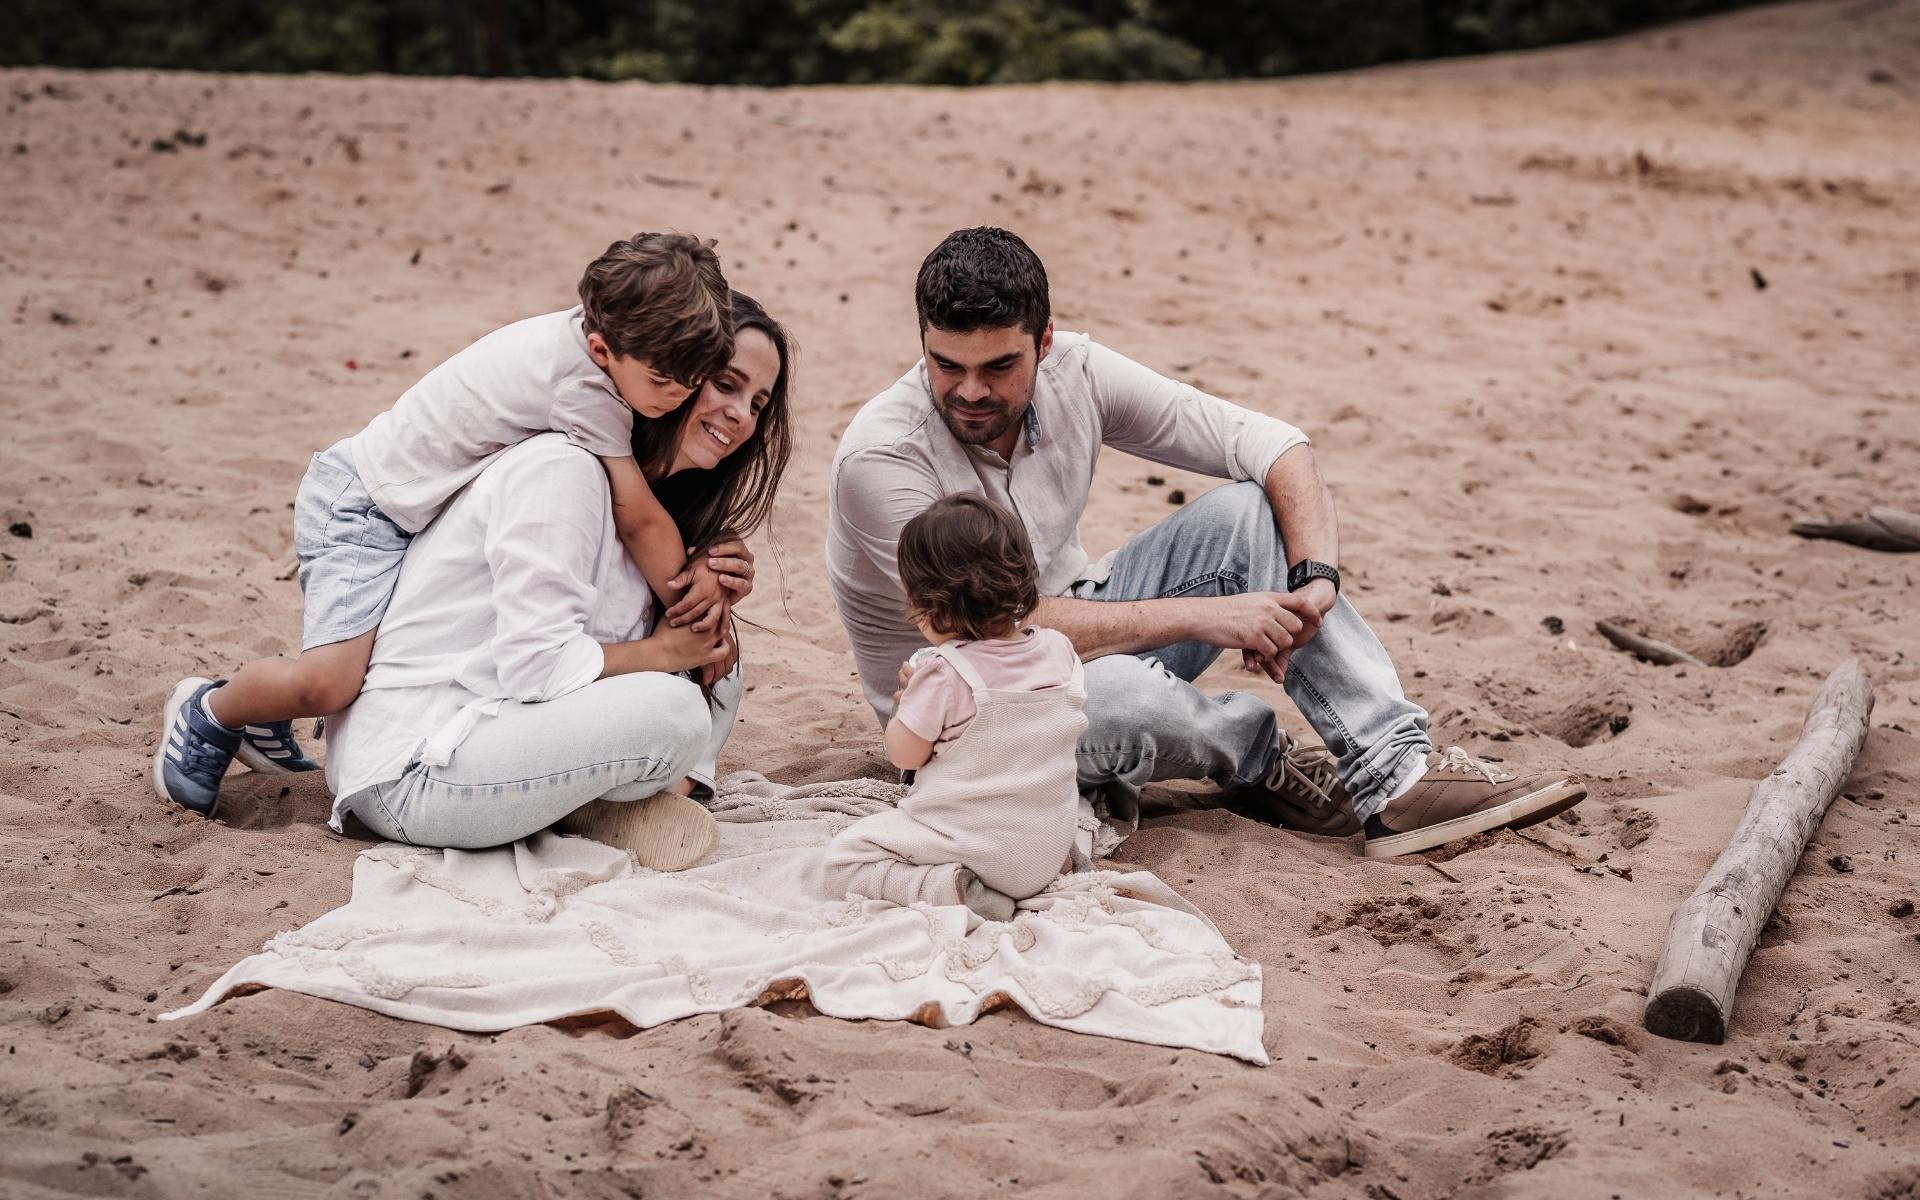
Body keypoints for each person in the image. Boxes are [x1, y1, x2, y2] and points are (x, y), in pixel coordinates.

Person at [826, 227, 1586, 859]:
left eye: (1000, 366)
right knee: (1116, 698)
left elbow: (1270, 444)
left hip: (1073, 629)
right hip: (967, 715)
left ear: (1045, 341)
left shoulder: (1077, 371)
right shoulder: (882, 458)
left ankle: (1395, 775)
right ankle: (1266, 762)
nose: (970, 392)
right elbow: (1001, 626)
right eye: (945, 366)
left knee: (1250, 512)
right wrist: (1205, 618)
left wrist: (1316, 578)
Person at [180, 293, 790, 857]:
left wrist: (704, 574)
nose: (739, 415)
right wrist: (662, 653)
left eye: (758, 403)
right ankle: (215, 712)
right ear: (676, 371)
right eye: (725, 384)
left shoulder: (659, 518)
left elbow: (648, 569)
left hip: (498, 733)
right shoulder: (563, 469)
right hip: (413, 769)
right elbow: (538, 667)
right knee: (672, 711)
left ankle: (589, 805)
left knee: (720, 657)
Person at [823, 494, 1086, 921]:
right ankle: (1046, 866)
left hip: (977, 846)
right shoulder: (1060, 650)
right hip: (1045, 848)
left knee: (846, 859)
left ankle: (954, 889)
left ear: (930, 606)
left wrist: (908, 704)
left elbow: (904, 755)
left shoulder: (946, 674)